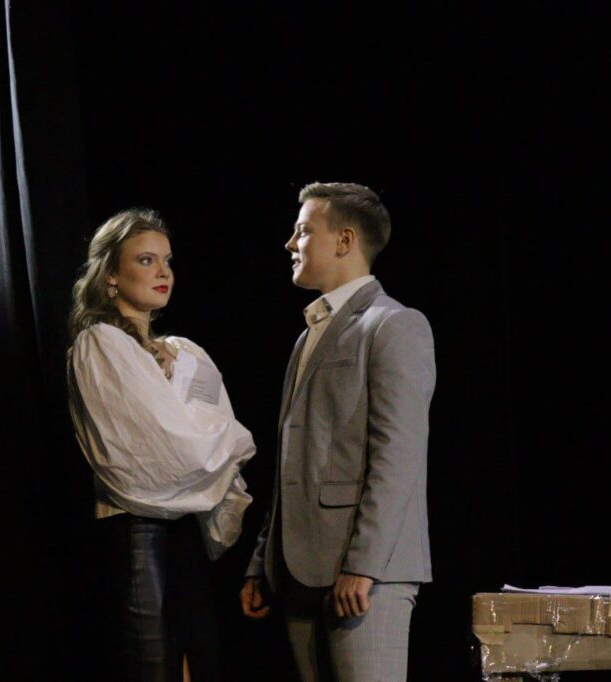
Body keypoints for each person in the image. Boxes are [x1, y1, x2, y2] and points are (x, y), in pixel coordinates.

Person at [240, 182, 436, 681]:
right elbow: (293, 460)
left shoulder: (393, 324)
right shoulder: (308, 335)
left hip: (366, 573)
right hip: (297, 570)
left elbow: (398, 455)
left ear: (345, 240)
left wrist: (364, 564)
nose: (290, 243)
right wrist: (263, 559)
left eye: (304, 231)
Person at [67, 208, 256, 681]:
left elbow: (209, 441)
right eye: (146, 260)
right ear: (111, 275)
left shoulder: (185, 352)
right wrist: (220, 440)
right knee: (153, 665)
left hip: (186, 528)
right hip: (137, 529)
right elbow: (161, 453)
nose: (163, 272)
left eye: (167, 260)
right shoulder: (100, 343)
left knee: (198, 658)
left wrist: (208, 435)